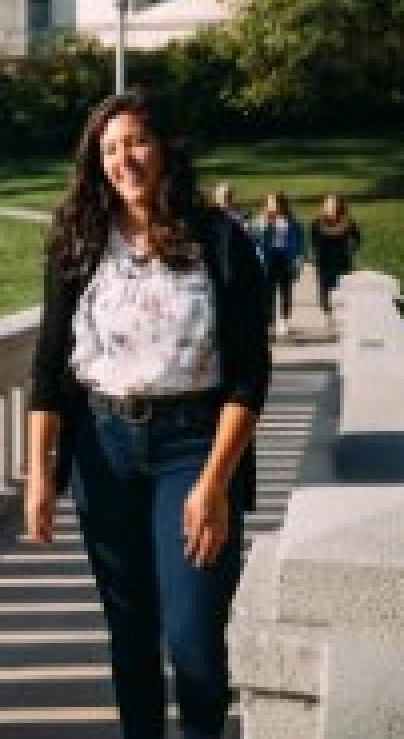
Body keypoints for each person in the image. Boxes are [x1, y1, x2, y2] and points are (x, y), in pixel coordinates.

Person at [25, 90, 270, 739]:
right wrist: (39, 477)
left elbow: (250, 375)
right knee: (130, 632)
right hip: (102, 452)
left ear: (164, 149)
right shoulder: (77, 243)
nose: (124, 159)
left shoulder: (218, 240)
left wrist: (216, 482)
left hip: (193, 448)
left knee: (192, 637)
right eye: (109, 148)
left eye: (136, 142)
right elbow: (49, 368)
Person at [253, 192, 304, 336]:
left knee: (286, 291)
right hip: (267, 259)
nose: (273, 206)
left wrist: (298, 257)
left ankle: (284, 320)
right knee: (268, 293)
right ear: (266, 204)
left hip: (285, 259)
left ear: (282, 205)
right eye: (270, 202)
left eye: (276, 203)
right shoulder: (259, 221)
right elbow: (253, 239)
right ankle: (269, 322)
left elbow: (299, 239)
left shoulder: (291, 222)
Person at [310, 193, 361, 320]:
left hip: (341, 258)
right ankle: (327, 311)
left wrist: (352, 247)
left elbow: (356, 237)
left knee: (342, 284)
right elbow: (314, 239)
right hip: (324, 259)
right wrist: (315, 251)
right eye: (329, 204)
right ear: (324, 206)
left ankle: (341, 311)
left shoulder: (347, 222)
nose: (331, 207)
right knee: (325, 285)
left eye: (334, 204)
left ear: (340, 206)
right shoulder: (318, 222)